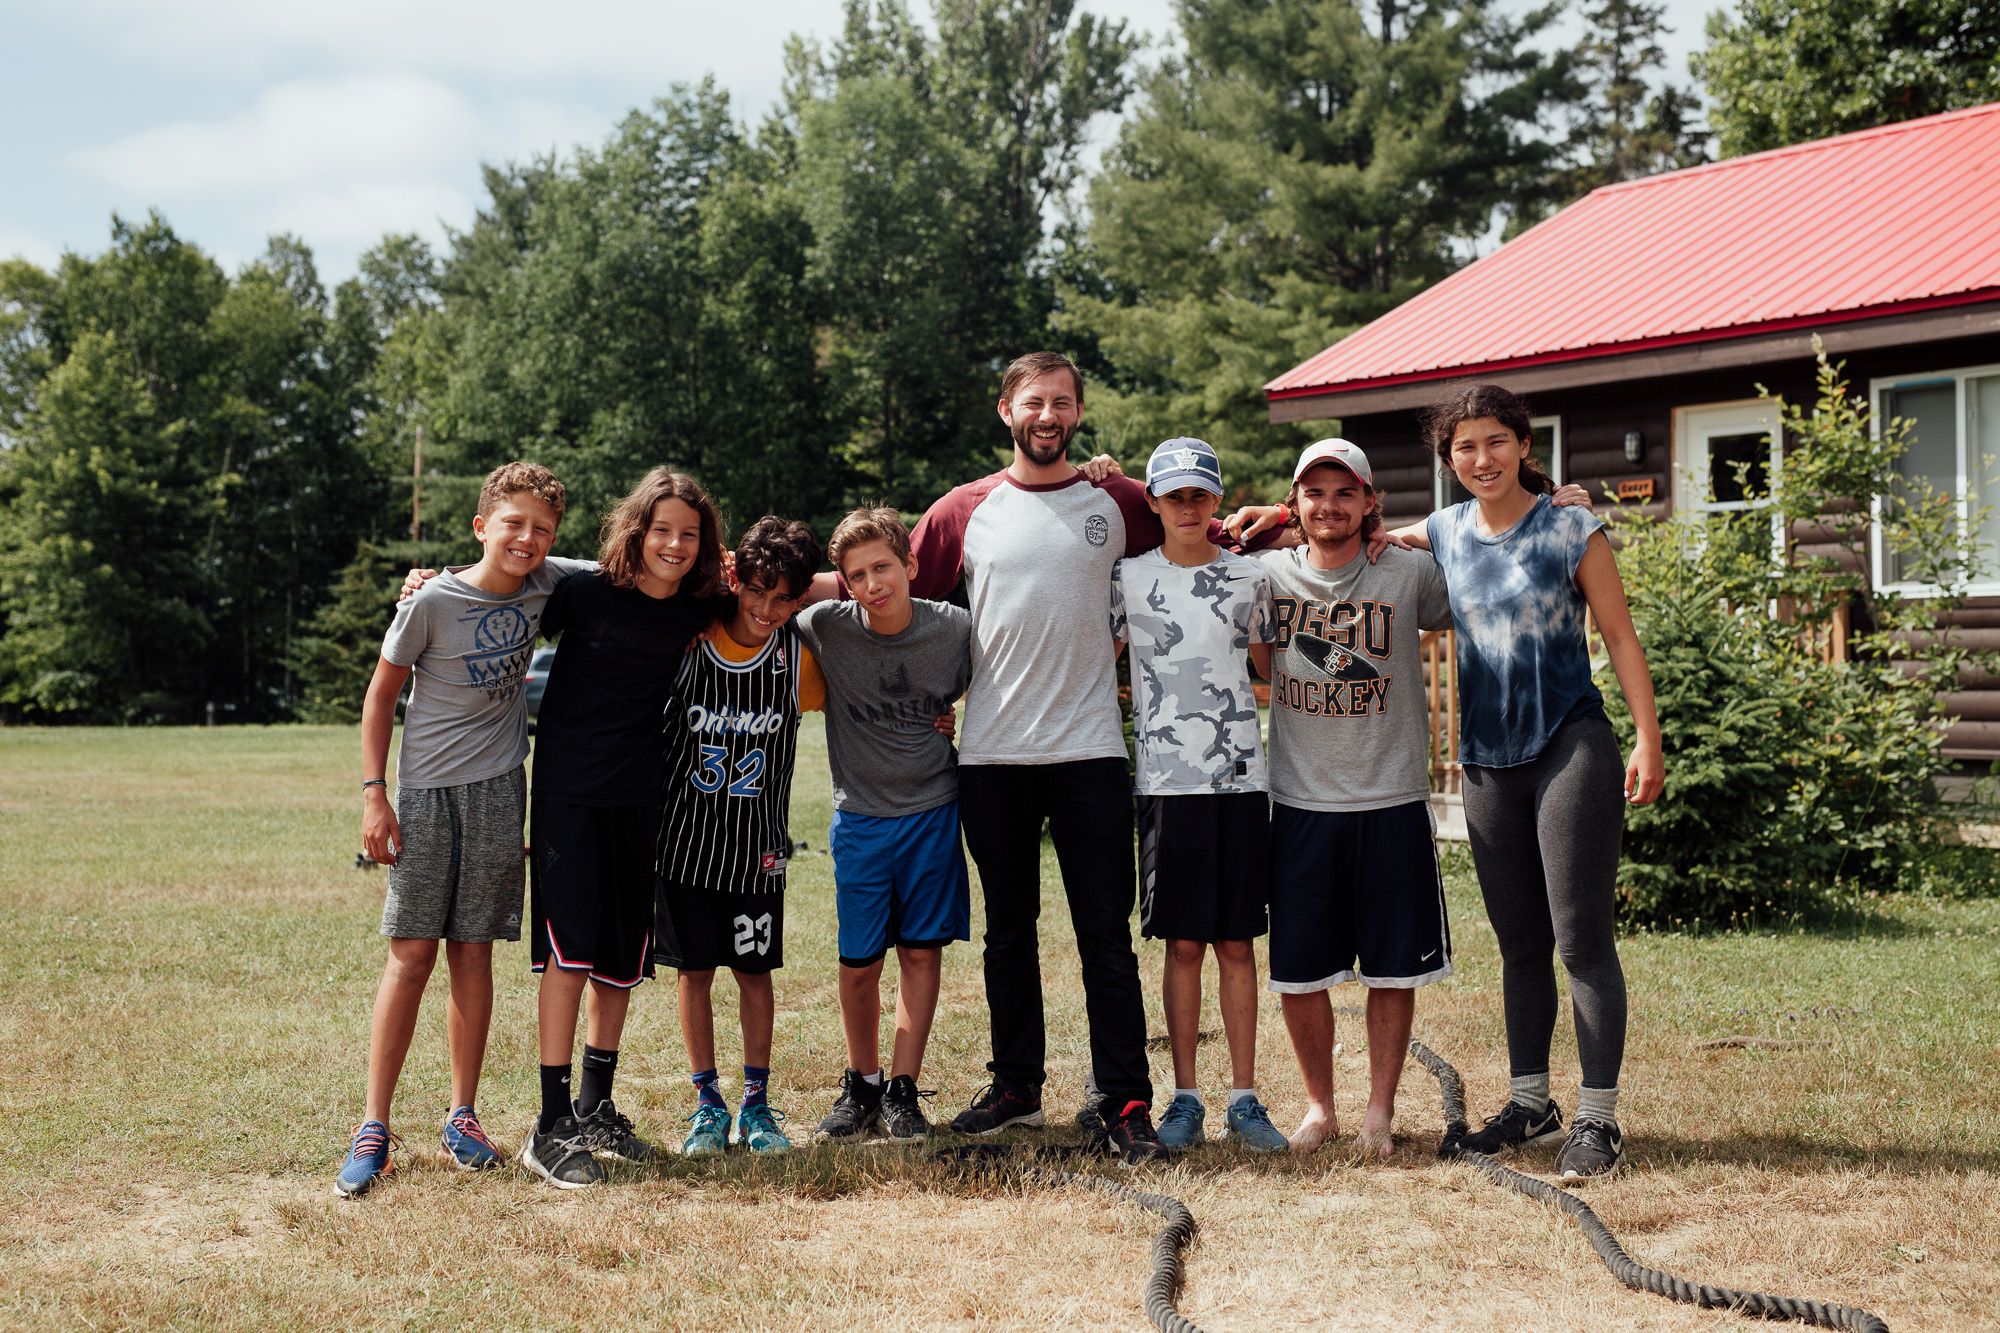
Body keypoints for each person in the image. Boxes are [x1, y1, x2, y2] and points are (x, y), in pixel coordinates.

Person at [833, 352, 1284, 1164]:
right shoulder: (961, 511)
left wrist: (1287, 519)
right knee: (1009, 930)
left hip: (1092, 755)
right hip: (992, 755)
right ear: (1005, 409)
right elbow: (897, 603)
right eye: (1034, 402)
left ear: (1077, 414)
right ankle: (1016, 1083)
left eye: (1063, 403)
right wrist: (920, 702)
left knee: (1102, 932)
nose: (1049, 415)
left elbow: (1200, 534)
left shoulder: (1115, 499)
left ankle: (1124, 1096)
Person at [1397, 384, 1663, 1183]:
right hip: (1485, 759)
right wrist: (1275, 518)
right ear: (1449, 459)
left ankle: (1599, 1118)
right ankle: (1529, 1103)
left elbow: (1619, 634)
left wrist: (1648, 739)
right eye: (1464, 447)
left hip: (1568, 746)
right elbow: (1356, 530)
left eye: (1495, 442)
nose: (1482, 459)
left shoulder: (1570, 524)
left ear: (1522, 443)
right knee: (1519, 943)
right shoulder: (1443, 530)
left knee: (1580, 938)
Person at [338, 462, 585, 1197]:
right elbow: (380, 697)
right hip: (423, 796)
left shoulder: (549, 581)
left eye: (542, 528)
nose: (528, 538)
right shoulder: (432, 600)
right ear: (482, 526)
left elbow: (624, 562)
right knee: (411, 955)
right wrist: (374, 795)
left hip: (500, 793)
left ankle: (462, 1115)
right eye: (513, 523)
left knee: (473, 954)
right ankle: (374, 1123)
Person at [517, 469, 733, 1187]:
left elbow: (785, 589)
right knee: (570, 954)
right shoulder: (582, 594)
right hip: (568, 796)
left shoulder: (699, 606)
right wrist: (433, 577)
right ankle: (549, 1125)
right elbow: (508, 577)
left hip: (641, 799)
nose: (673, 543)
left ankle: (594, 1106)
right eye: (661, 528)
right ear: (635, 529)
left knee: (620, 960)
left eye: (688, 533)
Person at [1248, 440, 1460, 1157]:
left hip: (1392, 797)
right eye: (1315, 493)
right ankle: (1319, 1107)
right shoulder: (1266, 576)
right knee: (1300, 972)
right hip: (1303, 803)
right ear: (1295, 503)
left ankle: (1378, 1109)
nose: (1329, 506)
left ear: (1370, 501)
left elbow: (1492, 548)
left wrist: (1557, 500)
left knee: (1394, 965)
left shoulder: (1409, 573)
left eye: (1345, 493)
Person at [1110, 438, 1289, 1154]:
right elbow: (1096, 658)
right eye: (1173, 494)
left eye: (1199, 494)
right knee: (1183, 941)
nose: (1187, 506)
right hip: (1165, 782)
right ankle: (1184, 1095)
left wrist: (1282, 516)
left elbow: (1273, 671)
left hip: (1240, 778)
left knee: (1238, 942)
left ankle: (1244, 1097)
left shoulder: (1250, 579)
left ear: (1217, 500)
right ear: (1151, 501)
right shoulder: (1125, 578)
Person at [796, 509, 974, 1144]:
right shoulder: (824, 627)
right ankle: (861, 1082)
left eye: (883, 568)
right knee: (858, 962)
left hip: (932, 811)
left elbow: (994, 686)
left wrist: (961, 717)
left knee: (921, 952)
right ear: (842, 583)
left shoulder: (953, 629)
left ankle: (902, 1088)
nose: (874, 584)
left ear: (911, 567)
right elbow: (770, 600)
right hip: (861, 818)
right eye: (858, 575)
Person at [655, 517, 827, 1158]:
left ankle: (756, 1104)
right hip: (683, 846)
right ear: (735, 579)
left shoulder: (796, 656)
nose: (767, 608)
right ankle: (707, 1103)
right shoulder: (689, 637)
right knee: (694, 973)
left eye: (784, 598)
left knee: (754, 974)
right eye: (757, 590)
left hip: (758, 851)